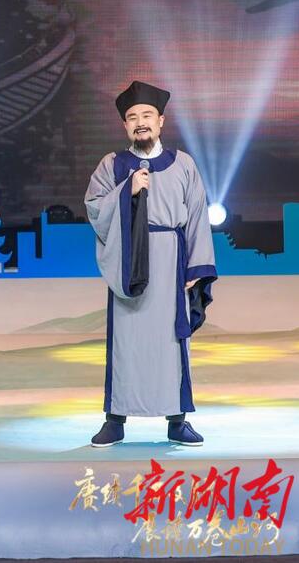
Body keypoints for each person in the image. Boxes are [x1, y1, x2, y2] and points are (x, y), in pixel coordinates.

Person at [84, 81, 217, 447]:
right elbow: (95, 209)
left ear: (161, 121)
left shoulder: (183, 164)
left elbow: (197, 216)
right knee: (126, 343)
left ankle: (177, 419)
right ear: (125, 125)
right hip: (130, 262)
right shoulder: (112, 165)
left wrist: (196, 269)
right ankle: (115, 419)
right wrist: (126, 190)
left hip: (171, 263)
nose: (140, 122)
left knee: (171, 343)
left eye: (147, 115)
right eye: (132, 117)